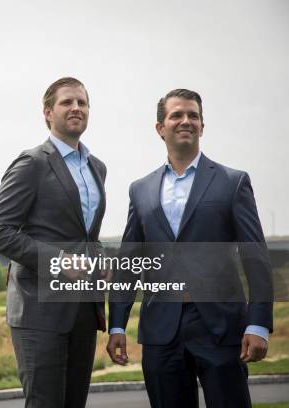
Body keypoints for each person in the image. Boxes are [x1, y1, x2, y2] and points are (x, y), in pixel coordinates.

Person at [106, 89, 274, 408]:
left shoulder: (233, 182)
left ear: (202, 126)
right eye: (177, 115)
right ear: (160, 128)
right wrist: (117, 324)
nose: (186, 121)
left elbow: (256, 258)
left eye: (193, 116)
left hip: (221, 327)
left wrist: (259, 323)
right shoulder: (140, 190)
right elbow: (128, 263)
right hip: (160, 330)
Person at [0, 77, 107, 408]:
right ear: (48, 113)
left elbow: (84, 235)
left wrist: (100, 260)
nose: (76, 108)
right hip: (38, 310)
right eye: (67, 102)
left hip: (83, 309)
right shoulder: (32, 164)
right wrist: (59, 260)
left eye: (82, 102)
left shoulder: (98, 168)